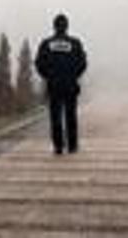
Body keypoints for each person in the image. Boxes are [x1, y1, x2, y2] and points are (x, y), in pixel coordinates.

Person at [35, 13, 87, 155]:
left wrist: (48, 76)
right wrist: (73, 76)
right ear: (67, 26)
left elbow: (39, 64)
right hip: (70, 85)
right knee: (71, 115)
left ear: (54, 26)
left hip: (54, 85)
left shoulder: (46, 44)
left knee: (55, 116)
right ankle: (72, 146)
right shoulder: (75, 43)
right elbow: (82, 63)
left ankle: (58, 146)